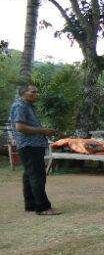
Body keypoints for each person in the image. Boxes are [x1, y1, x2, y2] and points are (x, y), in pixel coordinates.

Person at [9, 84, 60, 215]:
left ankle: (31, 205)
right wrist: (43, 130)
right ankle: (43, 207)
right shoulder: (20, 106)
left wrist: (44, 132)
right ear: (23, 93)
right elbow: (20, 127)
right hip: (29, 145)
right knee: (37, 175)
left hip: (33, 145)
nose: (36, 94)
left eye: (37, 92)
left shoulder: (28, 106)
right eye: (33, 92)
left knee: (29, 175)